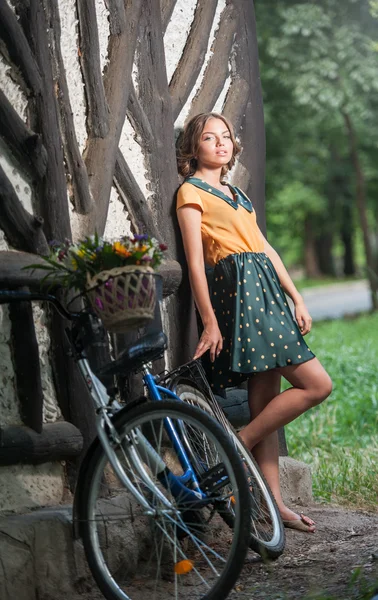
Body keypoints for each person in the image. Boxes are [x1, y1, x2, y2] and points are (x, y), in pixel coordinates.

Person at [176, 112, 333, 533]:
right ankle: (237, 448)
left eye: (225, 136)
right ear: (195, 148)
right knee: (318, 384)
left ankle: (273, 505)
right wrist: (210, 322)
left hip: (267, 298)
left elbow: (265, 248)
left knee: (265, 403)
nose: (221, 143)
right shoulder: (191, 193)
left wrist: (296, 296)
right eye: (210, 138)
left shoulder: (237, 194)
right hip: (239, 300)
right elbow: (195, 264)